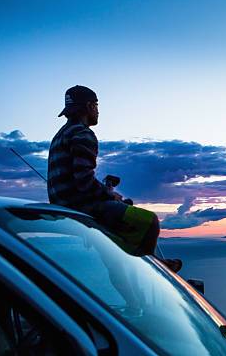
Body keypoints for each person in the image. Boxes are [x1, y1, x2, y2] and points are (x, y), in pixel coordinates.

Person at [47, 85, 181, 271]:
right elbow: (84, 181)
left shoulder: (60, 135)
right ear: (90, 107)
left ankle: (136, 257)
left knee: (125, 207)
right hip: (80, 206)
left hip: (63, 205)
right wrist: (110, 195)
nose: (98, 112)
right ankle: (147, 267)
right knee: (149, 221)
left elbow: (76, 177)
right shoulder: (83, 133)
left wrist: (107, 193)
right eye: (97, 106)